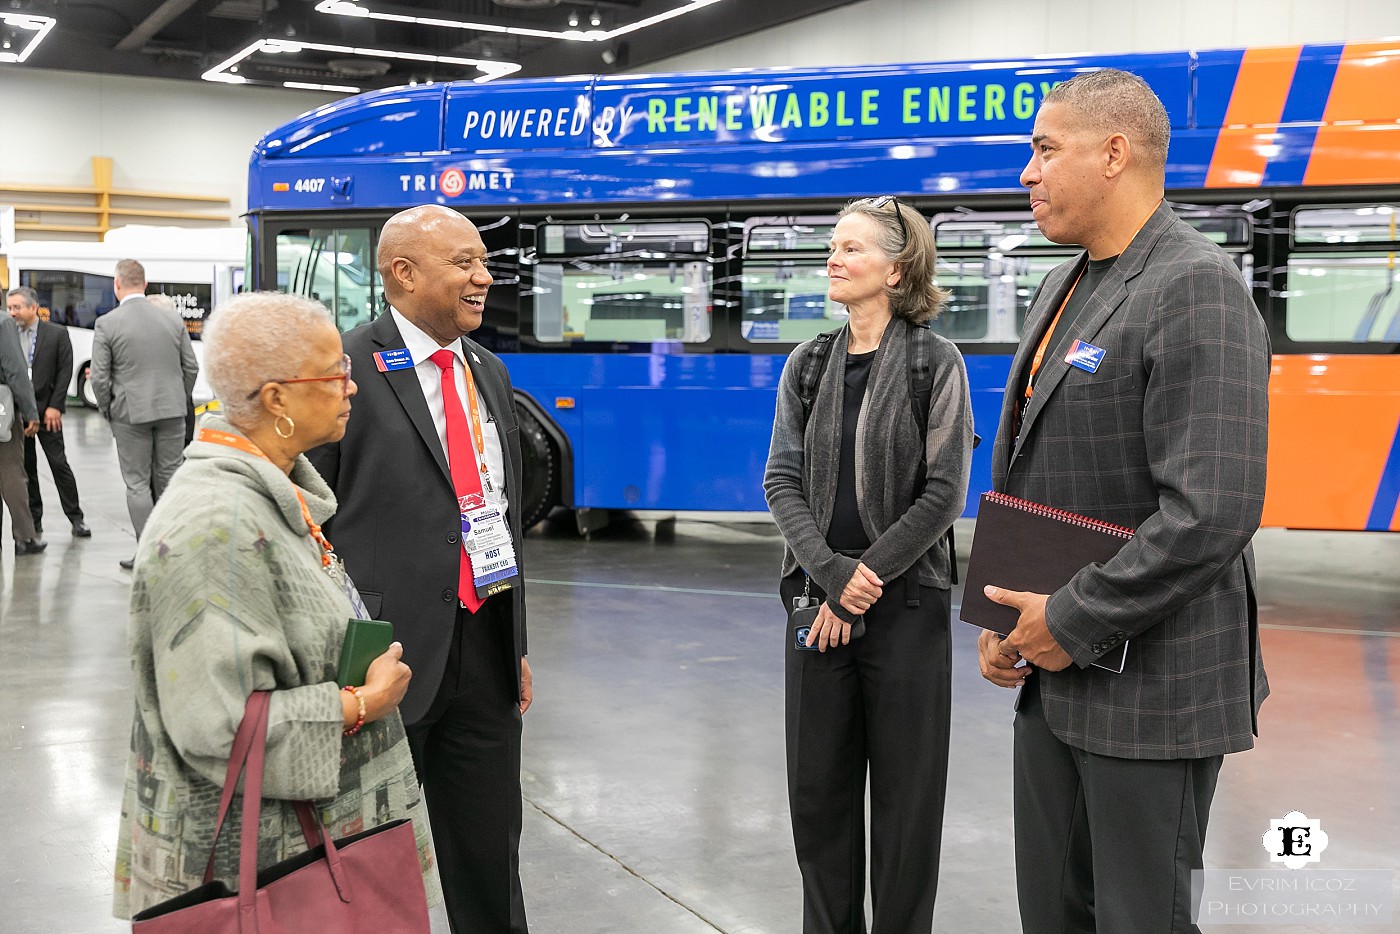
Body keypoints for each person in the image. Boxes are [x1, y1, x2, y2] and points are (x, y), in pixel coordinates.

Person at [976, 69, 1270, 934]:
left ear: (1114, 153)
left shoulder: (1194, 286)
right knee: (1054, 915)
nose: (1026, 172)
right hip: (1055, 679)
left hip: (1154, 688)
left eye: (1043, 149)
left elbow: (1209, 509)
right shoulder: (1067, 285)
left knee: (1141, 918)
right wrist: (1005, 612)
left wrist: (1067, 619)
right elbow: (1045, 474)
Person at [111, 291, 439, 919]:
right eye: (335, 373)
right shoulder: (218, 527)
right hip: (266, 868)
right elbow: (218, 725)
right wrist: (361, 703)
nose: (353, 388)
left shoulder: (274, 497)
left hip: (293, 844)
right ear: (276, 398)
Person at [309, 204, 533, 934]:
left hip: (485, 645)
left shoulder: (489, 372)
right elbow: (305, 525)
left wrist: (516, 639)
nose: (483, 277)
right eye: (463, 263)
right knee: (369, 862)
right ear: (403, 273)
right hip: (378, 657)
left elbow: (498, 508)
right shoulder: (342, 369)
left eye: (482, 262)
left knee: (490, 857)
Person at [763, 196, 975, 934]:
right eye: (833, 246)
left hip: (906, 607)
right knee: (817, 800)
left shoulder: (933, 362)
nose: (834, 259)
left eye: (851, 249)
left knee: (907, 804)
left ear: (896, 267)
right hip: (814, 603)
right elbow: (780, 479)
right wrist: (827, 574)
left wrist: (858, 585)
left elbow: (945, 492)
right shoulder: (809, 362)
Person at [89, 259, 198, 569]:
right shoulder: (173, 321)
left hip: (129, 413)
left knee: (137, 483)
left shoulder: (107, 323)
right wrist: (178, 396)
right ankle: (175, 550)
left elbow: (99, 377)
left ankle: (150, 553)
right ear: (145, 283)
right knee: (170, 477)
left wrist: (107, 407)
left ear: (117, 284)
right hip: (172, 411)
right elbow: (191, 367)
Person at [6, 286, 91, 539]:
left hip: (47, 412)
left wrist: (56, 406)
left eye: (17, 307)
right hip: (18, 414)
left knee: (59, 465)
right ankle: (35, 521)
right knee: (26, 470)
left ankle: (77, 518)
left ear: (33, 308)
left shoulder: (56, 334)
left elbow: (64, 372)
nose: (12, 313)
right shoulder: (7, 334)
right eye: (9, 308)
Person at [0, 313, 44, 555]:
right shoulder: (3, 323)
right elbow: (15, 370)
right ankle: (25, 537)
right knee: (11, 472)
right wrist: (30, 412)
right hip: (2, 410)